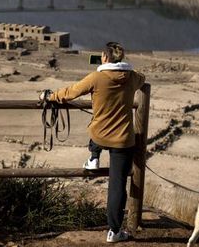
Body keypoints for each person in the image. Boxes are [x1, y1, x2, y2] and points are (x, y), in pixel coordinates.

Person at [39, 41, 145, 243]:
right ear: (121, 59)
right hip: (123, 140)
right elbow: (142, 78)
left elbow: (71, 92)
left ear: (104, 58)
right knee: (118, 185)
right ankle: (114, 232)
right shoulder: (132, 78)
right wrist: (127, 70)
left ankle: (94, 157)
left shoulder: (96, 77)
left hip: (100, 135)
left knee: (95, 126)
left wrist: (50, 96)